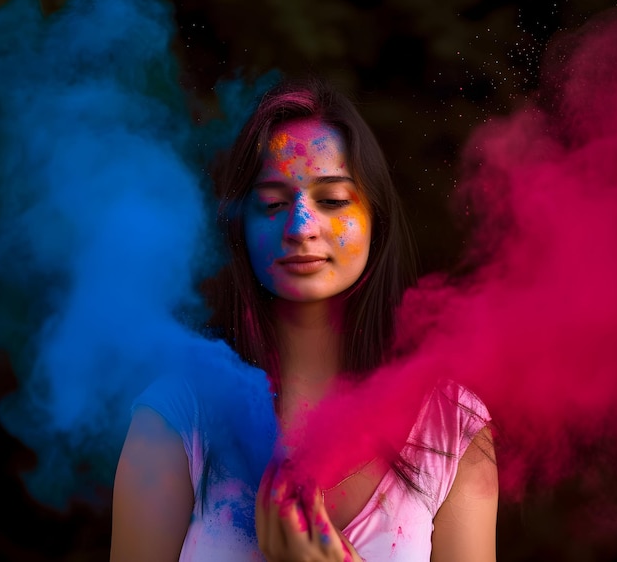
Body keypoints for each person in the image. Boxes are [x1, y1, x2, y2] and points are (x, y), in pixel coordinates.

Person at [110, 77, 498, 561]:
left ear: (376, 218)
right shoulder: (176, 416)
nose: (300, 228)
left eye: (333, 200)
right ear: (239, 228)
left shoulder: (451, 426)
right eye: (272, 204)